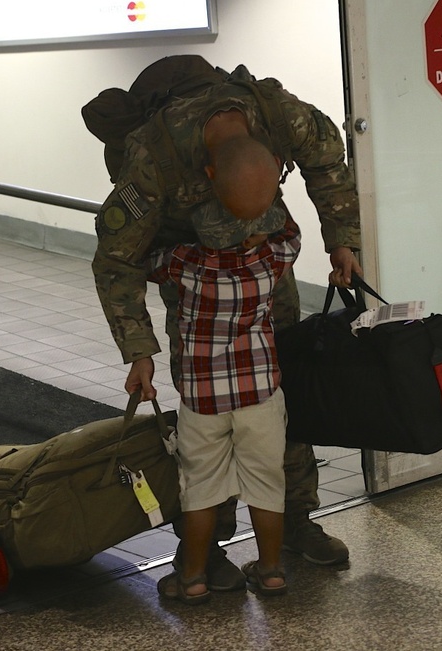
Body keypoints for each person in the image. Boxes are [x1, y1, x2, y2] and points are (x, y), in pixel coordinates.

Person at [92, 61, 363, 590]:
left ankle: (295, 521)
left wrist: (341, 239)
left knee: (282, 397)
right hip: (193, 280)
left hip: (264, 279)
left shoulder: (281, 116)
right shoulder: (153, 157)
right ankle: (207, 548)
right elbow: (116, 260)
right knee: (203, 433)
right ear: (208, 175)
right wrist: (139, 349)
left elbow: (330, 160)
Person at [148, 190, 299, 603]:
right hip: (260, 395)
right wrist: (261, 231)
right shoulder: (270, 260)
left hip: (203, 400)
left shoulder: (186, 262)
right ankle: (270, 573)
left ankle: (193, 578)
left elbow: (150, 260)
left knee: (200, 488)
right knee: (267, 482)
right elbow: (292, 233)